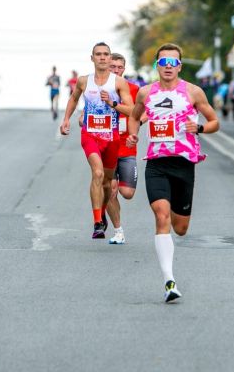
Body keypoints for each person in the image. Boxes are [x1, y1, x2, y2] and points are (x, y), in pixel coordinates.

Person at [127, 43, 219, 303]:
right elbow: (134, 117)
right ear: (157, 65)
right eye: (163, 62)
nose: (168, 67)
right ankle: (169, 281)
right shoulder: (145, 93)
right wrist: (133, 134)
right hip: (156, 164)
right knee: (161, 215)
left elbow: (215, 122)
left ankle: (170, 276)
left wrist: (199, 128)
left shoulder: (193, 92)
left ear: (179, 66)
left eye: (173, 63)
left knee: (180, 228)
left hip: (183, 164)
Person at [60, 42, 134, 239]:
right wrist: (66, 119)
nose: (102, 57)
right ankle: (97, 223)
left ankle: (101, 212)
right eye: (98, 54)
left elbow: (132, 110)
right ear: (92, 58)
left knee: (108, 183)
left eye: (106, 54)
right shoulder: (84, 81)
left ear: (110, 59)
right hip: (90, 135)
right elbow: (74, 99)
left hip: (112, 137)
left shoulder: (119, 83)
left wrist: (113, 103)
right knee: (98, 173)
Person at [78, 53, 143, 244]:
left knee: (127, 193)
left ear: (124, 68)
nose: (115, 70)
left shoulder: (132, 89)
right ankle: (117, 230)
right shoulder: (100, 86)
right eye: (112, 67)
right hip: (106, 143)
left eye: (119, 67)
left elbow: (143, 112)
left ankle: (103, 205)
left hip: (127, 147)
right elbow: (88, 110)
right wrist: (83, 118)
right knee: (109, 185)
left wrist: (137, 124)